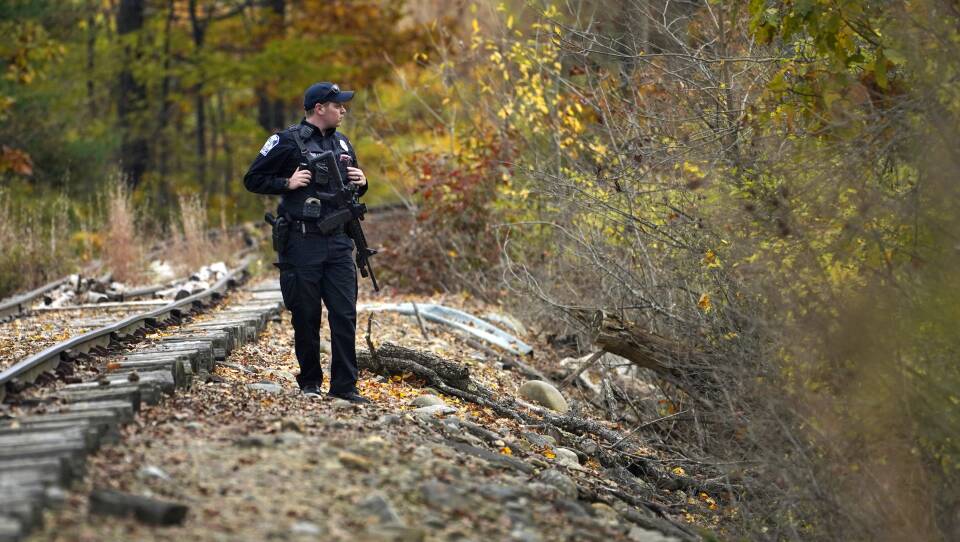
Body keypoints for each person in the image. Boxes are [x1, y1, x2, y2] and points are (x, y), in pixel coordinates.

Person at [244, 82, 370, 403]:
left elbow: (350, 192)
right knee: (306, 315)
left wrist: (363, 182)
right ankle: (310, 382)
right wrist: (287, 183)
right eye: (337, 105)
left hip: (340, 242)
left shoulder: (343, 143)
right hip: (302, 242)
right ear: (319, 108)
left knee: (344, 314)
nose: (343, 110)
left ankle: (344, 387)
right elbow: (253, 179)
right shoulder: (286, 141)